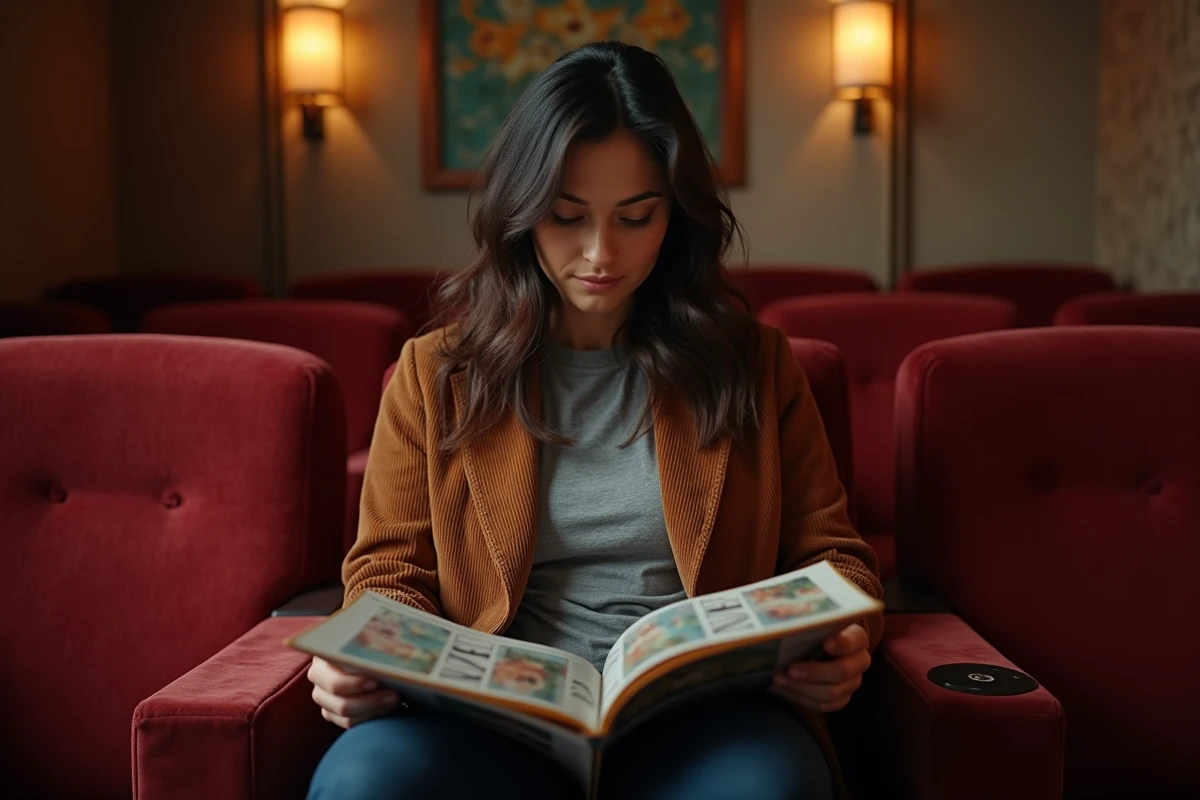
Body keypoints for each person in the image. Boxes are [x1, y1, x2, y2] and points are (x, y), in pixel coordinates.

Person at [305, 40, 882, 800]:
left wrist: (845, 637)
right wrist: (368, 655)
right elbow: (387, 572)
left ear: (675, 215)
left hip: (702, 719)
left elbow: (836, 558)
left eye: (636, 217)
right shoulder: (437, 374)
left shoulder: (754, 366)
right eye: (566, 217)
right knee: (365, 782)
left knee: (772, 786)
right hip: (489, 720)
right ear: (521, 211)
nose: (600, 253)